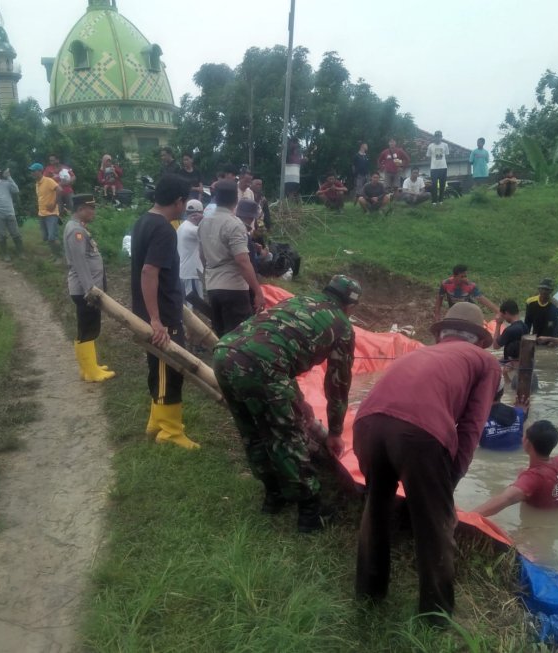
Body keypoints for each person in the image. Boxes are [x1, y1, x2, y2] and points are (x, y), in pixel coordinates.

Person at [353, 302, 500, 621]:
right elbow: (473, 425)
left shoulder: (417, 353)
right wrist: (451, 479)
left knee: (376, 509)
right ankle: (435, 616)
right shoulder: (485, 362)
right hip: (419, 432)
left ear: (442, 334)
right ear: (478, 338)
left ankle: (369, 595)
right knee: (436, 525)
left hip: (365, 424)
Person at [213, 275, 361, 532]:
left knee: (253, 432)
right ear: (350, 306)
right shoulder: (343, 327)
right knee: (287, 438)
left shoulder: (300, 300)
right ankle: (310, 511)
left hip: (225, 352)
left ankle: (274, 497)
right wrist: (335, 432)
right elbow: (337, 386)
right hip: (263, 365)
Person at [130, 174, 200, 450]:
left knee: (160, 369)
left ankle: (156, 422)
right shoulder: (163, 229)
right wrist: (156, 319)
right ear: (179, 200)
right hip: (160, 314)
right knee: (168, 369)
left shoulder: (143, 221)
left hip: (158, 309)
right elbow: (149, 272)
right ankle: (170, 431)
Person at [197, 180, 264, 337]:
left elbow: (202, 255)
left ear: (216, 199)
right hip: (234, 288)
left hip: (213, 287)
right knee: (239, 339)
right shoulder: (235, 224)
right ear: (236, 200)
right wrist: (258, 291)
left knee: (221, 336)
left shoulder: (204, 222)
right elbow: (242, 261)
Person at [63, 193, 115, 383]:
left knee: (87, 328)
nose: (93, 211)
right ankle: (91, 371)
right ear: (80, 209)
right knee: (88, 328)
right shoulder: (75, 231)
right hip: (85, 290)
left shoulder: (79, 228)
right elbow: (80, 263)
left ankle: (88, 367)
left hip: (85, 288)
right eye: (90, 208)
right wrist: (90, 290)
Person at [474, 420, 558, 517]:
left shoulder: (532, 478)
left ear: (527, 443)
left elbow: (505, 499)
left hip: (537, 528)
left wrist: (468, 517)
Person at [433, 264, 499, 322]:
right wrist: (437, 314)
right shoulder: (445, 284)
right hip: (454, 310)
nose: (464, 279)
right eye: (462, 277)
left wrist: (498, 311)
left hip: (468, 311)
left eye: (465, 276)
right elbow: (439, 299)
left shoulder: (470, 285)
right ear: (454, 276)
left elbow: (482, 299)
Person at [479, 378, 529, 451]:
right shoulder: (519, 413)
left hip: (489, 458)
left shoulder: (478, 419)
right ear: (502, 393)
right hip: (515, 456)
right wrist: (521, 411)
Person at [29, 162, 62, 260]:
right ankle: (54, 254)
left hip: (51, 214)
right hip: (42, 214)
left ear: (40, 171)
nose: (32, 173)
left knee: (52, 237)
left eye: (33, 171)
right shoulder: (37, 184)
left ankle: (60, 257)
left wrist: (54, 204)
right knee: (46, 238)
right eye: (31, 171)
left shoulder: (48, 181)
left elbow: (59, 190)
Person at [177, 199, 205, 303]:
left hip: (185, 271)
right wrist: (204, 220)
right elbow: (210, 233)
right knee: (196, 304)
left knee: (189, 303)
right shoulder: (193, 230)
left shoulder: (183, 226)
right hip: (192, 272)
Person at [493, 299, 528, 363]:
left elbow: (495, 346)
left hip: (510, 366)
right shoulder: (525, 327)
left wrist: (498, 324)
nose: (503, 318)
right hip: (522, 362)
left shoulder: (509, 330)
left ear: (506, 313)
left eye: (503, 315)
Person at [426, 131, 449, 205]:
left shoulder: (445, 145)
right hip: (434, 168)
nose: (438, 138)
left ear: (441, 137)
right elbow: (428, 156)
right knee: (434, 184)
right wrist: (433, 164)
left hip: (443, 167)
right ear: (434, 137)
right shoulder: (430, 146)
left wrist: (443, 163)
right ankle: (434, 201)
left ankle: (441, 200)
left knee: (442, 184)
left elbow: (447, 155)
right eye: (436, 136)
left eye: (439, 136)